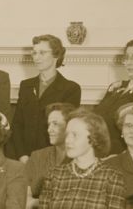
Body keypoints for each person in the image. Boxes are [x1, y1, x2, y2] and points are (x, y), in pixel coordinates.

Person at [10, 34, 81, 162]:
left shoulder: (71, 89)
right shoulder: (26, 86)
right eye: (34, 53)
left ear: (56, 55)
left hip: (54, 158)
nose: (36, 57)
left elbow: (66, 129)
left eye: (42, 53)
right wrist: (22, 155)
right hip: (24, 157)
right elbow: (17, 124)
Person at [24, 102, 76, 209]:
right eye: (49, 124)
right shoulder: (37, 156)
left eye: (55, 124)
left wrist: (36, 203)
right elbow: (24, 198)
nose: (49, 130)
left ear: (70, 126)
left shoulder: (81, 158)